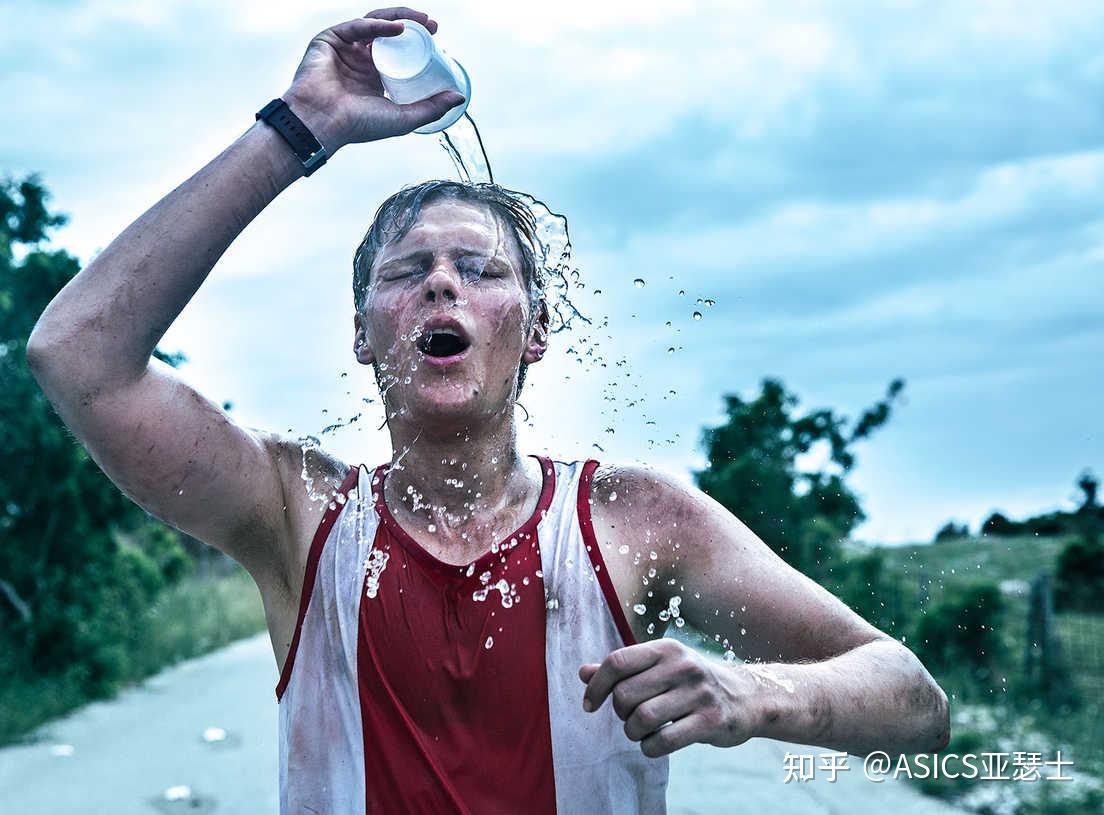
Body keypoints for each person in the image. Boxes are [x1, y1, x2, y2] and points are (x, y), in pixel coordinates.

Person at [26, 7, 949, 814]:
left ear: (536, 330)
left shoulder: (630, 514)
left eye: (479, 269)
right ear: (363, 333)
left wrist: (752, 693)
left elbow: (914, 701)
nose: (441, 284)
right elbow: (76, 354)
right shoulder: (298, 512)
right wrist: (302, 124)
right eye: (406, 271)